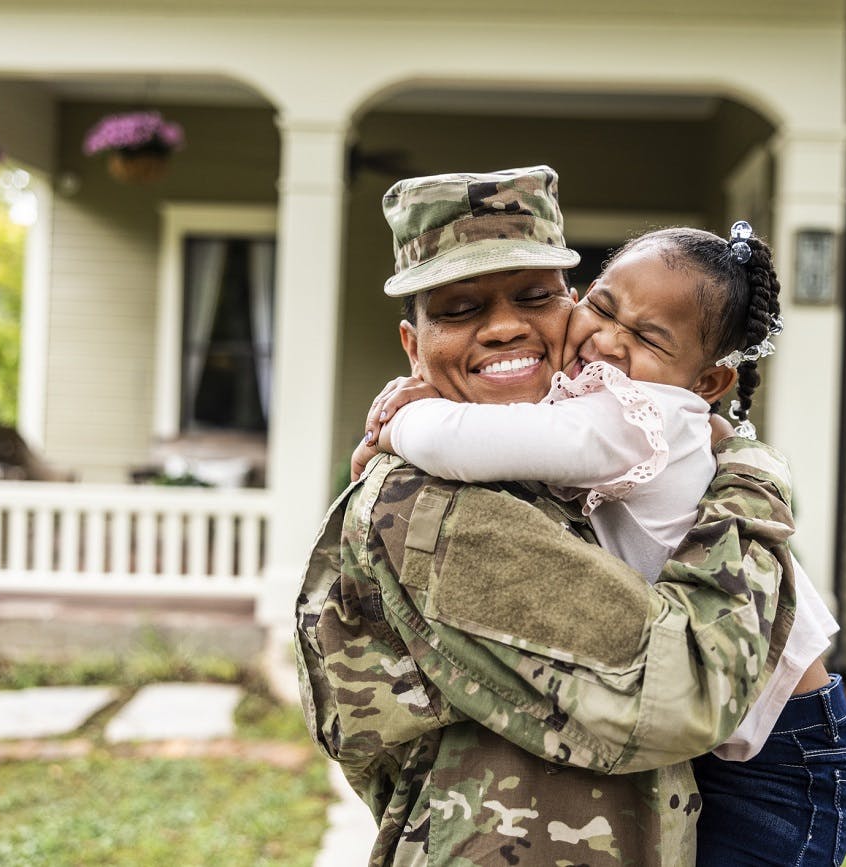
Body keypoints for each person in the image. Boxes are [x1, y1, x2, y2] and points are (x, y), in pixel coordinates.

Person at [295, 165, 799, 866]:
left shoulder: (555, 446)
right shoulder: (442, 504)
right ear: (415, 348)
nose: (504, 327)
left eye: (535, 296)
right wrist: (754, 475)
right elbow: (683, 691)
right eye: (458, 309)